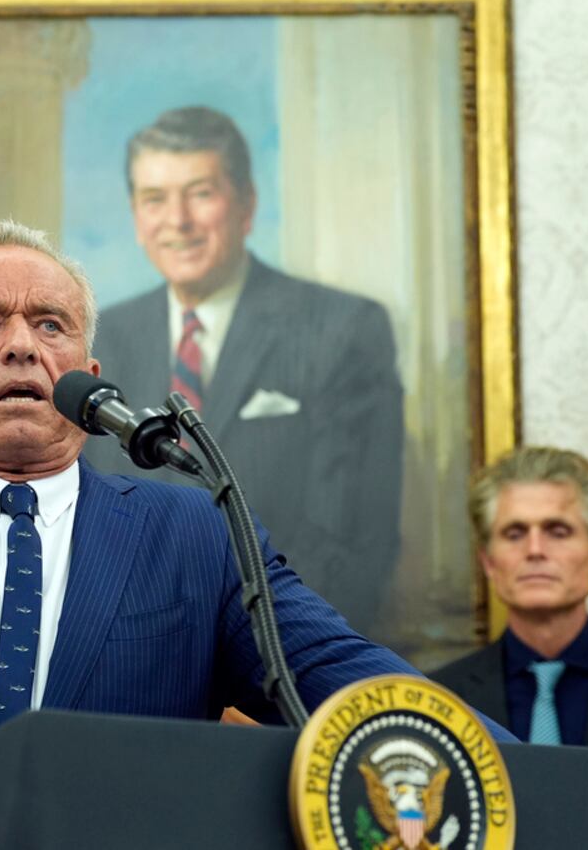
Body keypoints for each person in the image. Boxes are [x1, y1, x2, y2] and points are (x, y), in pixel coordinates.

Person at [0, 220, 490, 850]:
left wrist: (525, 770)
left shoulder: (191, 535)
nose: (21, 345)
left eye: (48, 325)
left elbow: (345, 678)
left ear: (88, 374)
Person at [83, 106, 402, 634]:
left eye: (201, 193)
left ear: (246, 205)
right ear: (136, 217)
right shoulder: (101, 339)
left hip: (281, 671)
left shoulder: (343, 329)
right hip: (131, 666)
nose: (178, 220)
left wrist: (255, 675)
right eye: (155, 199)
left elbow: (352, 542)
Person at [430, 446, 588, 746]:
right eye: (515, 533)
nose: (535, 550)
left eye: (557, 532)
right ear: (488, 562)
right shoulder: (442, 698)